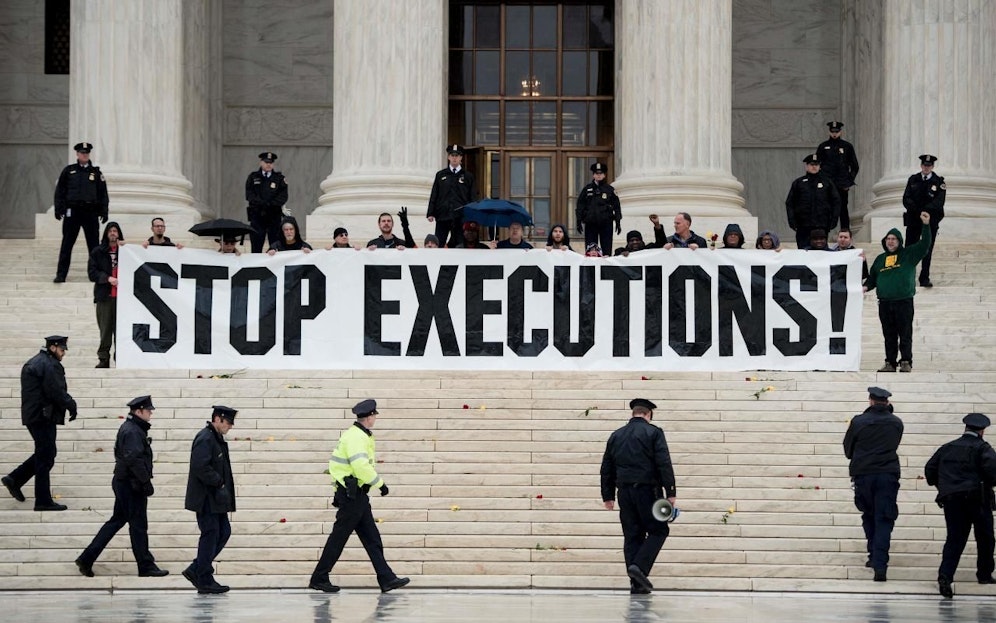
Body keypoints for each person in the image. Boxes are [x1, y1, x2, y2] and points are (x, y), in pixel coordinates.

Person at [310, 399, 411, 594]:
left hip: (356, 495)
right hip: (352, 495)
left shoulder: (359, 434)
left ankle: (386, 578)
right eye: (374, 416)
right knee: (339, 538)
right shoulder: (356, 437)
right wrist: (380, 484)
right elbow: (360, 465)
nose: (375, 419)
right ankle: (319, 577)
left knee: (371, 538)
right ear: (370, 416)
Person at [75, 395, 169, 579]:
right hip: (131, 485)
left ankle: (87, 558)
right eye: (148, 410)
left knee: (117, 521)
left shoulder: (132, 428)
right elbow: (133, 459)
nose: (151, 414)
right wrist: (145, 482)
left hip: (125, 482)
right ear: (139, 411)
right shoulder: (133, 431)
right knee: (138, 525)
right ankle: (145, 565)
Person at [600, 398, 677, 594]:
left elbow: (606, 468)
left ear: (633, 413)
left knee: (632, 536)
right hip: (647, 491)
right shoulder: (654, 432)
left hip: (624, 492)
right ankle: (640, 568)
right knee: (659, 530)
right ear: (648, 414)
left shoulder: (616, 435)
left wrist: (607, 496)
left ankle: (637, 585)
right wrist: (671, 491)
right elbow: (663, 462)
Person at [925, 413, 996, 598]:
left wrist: (943, 486)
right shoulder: (983, 448)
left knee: (954, 539)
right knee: (985, 537)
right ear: (982, 430)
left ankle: (945, 576)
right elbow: (993, 472)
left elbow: (930, 469)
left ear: (965, 428)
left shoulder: (947, 447)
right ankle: (984, 575)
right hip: (977, 499)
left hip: (952, 500)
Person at [2, 336, 77, 511]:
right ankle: (42, 500)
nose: (63, 353)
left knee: (47, 453)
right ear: (53, 347)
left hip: (34, 415)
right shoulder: (49, 365)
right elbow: (56, 391)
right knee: (45, 457)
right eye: (62, 350)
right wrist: (71, 405)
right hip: (43, 416)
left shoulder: (36, 362)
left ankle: (15, 479)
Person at [842, 387, 904, 582]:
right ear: (887, 402)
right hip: (887, 474)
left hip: (863, 474)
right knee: (884, 518)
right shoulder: (896, 423)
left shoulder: (859, 421)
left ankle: (873, 555)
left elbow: (848, 449)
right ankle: (880, 563)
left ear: (870, 400)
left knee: (868, 514)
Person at [864, 212, 932, 373]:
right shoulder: (880, 259)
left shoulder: (908, 254)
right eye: (888, 239)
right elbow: (872, 278)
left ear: (899, 241)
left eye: (893, 238)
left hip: (904, 301)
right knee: (889, 335)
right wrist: (865, 287)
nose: (890, 241)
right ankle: (890, 362)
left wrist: (926, 225)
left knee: (905, 333)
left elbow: (925, 244)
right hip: (885, 303)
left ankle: (906, 361)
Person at [183, 405, 237, 594]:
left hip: (215, 499)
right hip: (206, 498)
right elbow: (200, 466)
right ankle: (203, 576)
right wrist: (219, 482)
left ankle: (197, 569)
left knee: (223, 532)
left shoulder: (215, 438)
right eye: (228, 423)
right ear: (218, 419)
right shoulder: (206, 438)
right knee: (211, 534)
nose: (230, 426)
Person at [54, 142, 109, 283]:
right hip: (72, 212)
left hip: (90, 212)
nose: (84, 155)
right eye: (82, 152)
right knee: (67, 244)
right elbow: (60, 191)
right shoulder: (69, 171)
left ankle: (95, 274)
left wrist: (104, 211)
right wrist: (58, 208)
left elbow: (103, 193)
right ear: (77, 154)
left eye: (86, 153)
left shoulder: (96, 173)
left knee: (94, 246)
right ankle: (61, 275)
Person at [902, 154, 946, 288]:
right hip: (914, 219)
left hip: (930, 221)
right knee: (909, 248)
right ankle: (907, 276)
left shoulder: (939, 182)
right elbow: (906, 198)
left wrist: (926, 210)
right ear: (921, 166)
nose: (926, 168)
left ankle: (924, 277)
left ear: (932, 167)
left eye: (929, 166)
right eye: (924, 165)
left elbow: (939, 202)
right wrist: (917, 211)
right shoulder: (913, 179)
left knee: (927, 249)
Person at [785, 154, 841, 248]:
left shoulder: (827, 183)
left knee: (821, 253)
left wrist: (834, 220)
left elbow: (836, 201)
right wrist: (792, 221)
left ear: (820, 166)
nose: (814, 167)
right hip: (803, 225)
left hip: (821, 225)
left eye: (816, 164)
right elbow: (790, 203)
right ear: (806, 166)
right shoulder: (798, 183)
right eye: (811, 164)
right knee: (803, 253)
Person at [88, 221, 123, 369]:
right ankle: (104, 358)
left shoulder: (126, 251)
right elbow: (92, 273)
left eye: (115, 231)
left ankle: (121, 357)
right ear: (106, 233)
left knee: (121, 330)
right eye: (110, 231)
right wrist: (107, 278)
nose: (113, 233)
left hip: (123, 299)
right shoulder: (98, 252)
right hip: (105, 297)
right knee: (105, 329)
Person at [427, 144, 476, 248]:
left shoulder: (468, 176)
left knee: (459, 244)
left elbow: (472, 197)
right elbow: (435, 193)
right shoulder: (441, 175)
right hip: (443, 215)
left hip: (460, 217)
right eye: (452, 155)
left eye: (457, 155)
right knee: (439, 243)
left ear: (461, 157)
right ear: (448, 157)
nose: (454, 157)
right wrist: (430, 212)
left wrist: (471, 215)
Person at [816, 121, 860, 230]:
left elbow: (855, 166)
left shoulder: (847, 146)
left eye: (836, 131)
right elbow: (816, 165)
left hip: (841, 184)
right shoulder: (823, 146)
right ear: (829, 131)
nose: (834, 134)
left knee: (843, 209)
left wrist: (849, 182)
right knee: (825, 208)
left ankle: (845, 232)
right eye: (832, 131)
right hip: (827, 184)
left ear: (840, 132)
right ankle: (823, 234)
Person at [245, 151, 288, 253]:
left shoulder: (279, 178)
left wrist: (269, 204)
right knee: (256, 245)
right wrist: (261, 204)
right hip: (257, 216)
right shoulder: (253, 177)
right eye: (266, 162)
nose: (269, 164)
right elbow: (249, 195)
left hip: (274, 216)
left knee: (275, 246)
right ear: (261, 163)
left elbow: (283, 196)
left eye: (271, 162)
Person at [576, 162, 622, 255]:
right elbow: (580, 205)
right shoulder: (587, 189)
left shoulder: (610, 190)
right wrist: (578, 220)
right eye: (596, 173)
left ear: (604, 175)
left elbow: (616, 206)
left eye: (601, 173)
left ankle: (606, 269)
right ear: (593, 175)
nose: (599, 175)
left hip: (606, 223)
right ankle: (591, 269)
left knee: (606, 249)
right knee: (591, 250)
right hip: (591, 223)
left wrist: (618, 221)